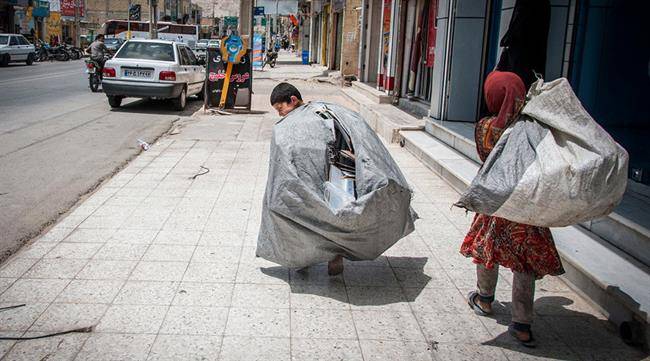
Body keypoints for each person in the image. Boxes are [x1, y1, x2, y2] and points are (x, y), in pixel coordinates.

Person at [461, 71, 564, 348]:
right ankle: (522, 325)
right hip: (526, 208)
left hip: (495, 205)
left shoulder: (485, 128)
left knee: (487, 251)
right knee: (524, 263)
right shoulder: (533, 130)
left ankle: (484, 299)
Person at [267, 82, 345, 275]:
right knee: (307, 215)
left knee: (327, 214)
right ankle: (307, 255)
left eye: (280, 108)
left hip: (325, 175)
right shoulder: (318, 113)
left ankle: (334, 256)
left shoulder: (320, 114)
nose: (280, 114)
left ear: (292, 100)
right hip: (301, 177)